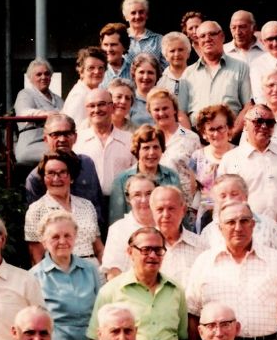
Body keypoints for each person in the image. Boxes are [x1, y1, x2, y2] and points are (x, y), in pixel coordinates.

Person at [186, 201, 277, 340]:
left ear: (253, 224)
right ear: (219, 228)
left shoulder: (274, 260)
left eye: (244, 221)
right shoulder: (204, 262)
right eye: (231, 222)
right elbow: (193, 314)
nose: (238, 227)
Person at [89, 227, 188, 340]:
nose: (153, 256)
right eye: (146, 249)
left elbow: (184, 337)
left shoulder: (176, 290)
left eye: (158, 250)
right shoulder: (110, 292)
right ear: (130, 252)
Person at [219, 104, 277, 246]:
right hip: (251, 234)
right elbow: (221, 203)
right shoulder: (230, 159)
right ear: (245, 124)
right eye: (258, 121)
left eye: (270, 123)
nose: (264, 126)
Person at [30, 211, 101, 340]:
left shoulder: (90, 270)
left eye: (67, 235)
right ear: (44, 242)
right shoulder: (34, 277)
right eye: (55, 237)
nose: (62, 241)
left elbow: (101, 311)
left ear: (75, 237)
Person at [24, 113, 104, 233]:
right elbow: (36, 225)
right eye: (55, 134)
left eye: (67, 133)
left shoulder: (87, 164)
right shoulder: (36, 177)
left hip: (90, 238)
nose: (62, 139)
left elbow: (98, 205)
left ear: (75, 137)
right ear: (46, 139)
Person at [24, 151, 104, 266]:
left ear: (71, 177)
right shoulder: (36, 210)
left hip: (93, 270)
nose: (56, 179)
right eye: (50, 173)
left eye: (62, 173)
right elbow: (36, 258)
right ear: (43, 178)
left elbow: (99, 248)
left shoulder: (87, 205)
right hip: (59, 273)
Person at [74, 88, 136, 227]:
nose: (96, 109)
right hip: (85, 206)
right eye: (91, 106)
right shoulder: (77, 140)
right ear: (86, 109)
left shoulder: (130, 140)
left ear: (112, 107)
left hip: (122, 207)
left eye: (101, 104)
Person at [182, 20, 252, 136]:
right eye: (202, 36)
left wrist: (232, 133)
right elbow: (181, 113)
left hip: (231, 137)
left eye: (212, 34)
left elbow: (248, 106)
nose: (207, 39)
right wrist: (191, 139)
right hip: (197, 138)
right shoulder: (188, 73)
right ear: (198, 42)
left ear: (222, 36)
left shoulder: (241, 67)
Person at [108, 124, 181, 225]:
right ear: (137, 151)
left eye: (156, 147)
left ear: (162, 149)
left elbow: (180, 214)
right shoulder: (121, 180)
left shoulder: (172, 176)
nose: (152, 153)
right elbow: (116, 221)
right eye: (146, 148)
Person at [148, 87, 201, 223]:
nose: (161, 113)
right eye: (156, 110)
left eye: (165, 108)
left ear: (174, 109)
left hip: (184, 208)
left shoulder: (190, 137)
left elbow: (199, 175)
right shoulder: (148, 137)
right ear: (150, 112)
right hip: (156, 208)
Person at [199, 174, 277, 252]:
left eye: (234, 194)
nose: (229, 200)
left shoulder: (269, 225)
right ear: (216, 201)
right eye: (223, 196)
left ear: (246, 196)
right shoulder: (209, 232)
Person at [188, 105, 237, 230]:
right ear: (204, 133)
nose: (216, 134)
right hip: (206, 218)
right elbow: (195, 192)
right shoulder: (197, 157)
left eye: (220, 128)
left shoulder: (240, 154)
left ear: (229, 128)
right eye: (211, 129)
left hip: (235, 216)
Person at [101, 174, 157, 282]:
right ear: (128, 198)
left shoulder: (166, 225)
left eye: (149, 193)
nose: (144, 200)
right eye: (137, 195)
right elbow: (113, 274)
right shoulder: (118, 229)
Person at [149, 185, 205, 289]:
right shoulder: (142, 246)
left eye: (171, 208)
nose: (166, 214)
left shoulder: (200, 246)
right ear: (152, 212)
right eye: (160, 209)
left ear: (183, 210)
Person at [14, 58, 64, 166]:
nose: (43, 77)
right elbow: (24, 112)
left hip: (55, 142)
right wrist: (48, 114)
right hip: (32, 143)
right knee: (63, 154)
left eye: (47, 74)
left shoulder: (59, 100)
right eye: (39, 74)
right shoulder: (25, 94)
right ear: (30, 78)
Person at [62, 46, 107, 126]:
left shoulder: (95, 91)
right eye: (91, 68)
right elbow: (76, 129)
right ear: (81, 71)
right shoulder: (79, 96)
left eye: (101, 68)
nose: (97, 71)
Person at [157, 32, 193, 125]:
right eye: (172, 51)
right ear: (165, 56)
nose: (177, 54)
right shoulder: (160, 82)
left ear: (188, 53)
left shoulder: (197, 76)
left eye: (180, 50)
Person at [123, 0, 166, 70]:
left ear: (146, 15)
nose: (137, 16)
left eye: (141, 12)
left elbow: (166, 69)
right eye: (133, 13)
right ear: (126, 17)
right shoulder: (120, 38)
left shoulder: (159, 40)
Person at [130, 53, 162, 127]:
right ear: (134, 74)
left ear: (157, 75)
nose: (146, 77)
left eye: (150, 73)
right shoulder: (128, 99)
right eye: (141, 72)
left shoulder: (165, 98)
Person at [100, 22, 132, 88]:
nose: (109, 49)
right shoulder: (96, 71)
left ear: (124, 46)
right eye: (105, 45)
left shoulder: (134, 71)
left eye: (113, 45)